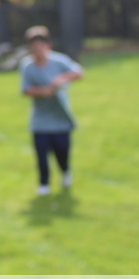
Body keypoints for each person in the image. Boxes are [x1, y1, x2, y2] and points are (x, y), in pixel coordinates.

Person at [19, 25, 83, 196]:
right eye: (34, 47)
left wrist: (60, 79)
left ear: (48, 45)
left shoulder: (59, 61)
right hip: (40, 119)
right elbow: (25, 90)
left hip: (60, 116)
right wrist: (43, 91)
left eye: (40, 46)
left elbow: (79, 73)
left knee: (62, 152)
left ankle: (65, 171)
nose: (37, 51)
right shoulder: (27, 66)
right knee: (41, 154)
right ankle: (44, 183)